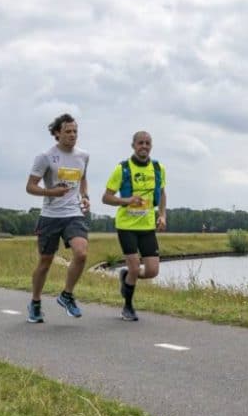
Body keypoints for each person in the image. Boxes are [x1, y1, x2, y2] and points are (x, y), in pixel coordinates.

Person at [25, 113, 90, 323]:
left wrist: (85, 196)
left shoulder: (83, 156)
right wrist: (52, 192)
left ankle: (67, 295)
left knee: (81, 254)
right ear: (57, 134)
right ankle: (35, 302)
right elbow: (30, 187)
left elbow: (83, 179)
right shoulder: (45, 157)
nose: (72, 135)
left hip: (73, 214)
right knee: (45, 262)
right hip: (50, 216)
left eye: (75, 131)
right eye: (68, 131)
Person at [102, 130, 167, 321]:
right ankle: (127, 307)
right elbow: (106, 197)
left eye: (147, 143)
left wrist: (162, 215)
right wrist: (127, 200)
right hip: (127, 226)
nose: (144, 147)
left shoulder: (158, 168)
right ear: (133, 145)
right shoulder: (122, 169)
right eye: (140, 143)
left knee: (152, 271)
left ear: (151, 146)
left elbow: (162, 193)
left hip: (147, 227)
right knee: (134, 267)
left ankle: (125, 277)